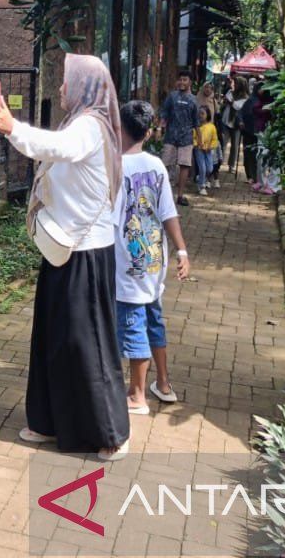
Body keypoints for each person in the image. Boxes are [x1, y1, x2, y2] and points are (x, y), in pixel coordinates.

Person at [0, 54, 130, 462]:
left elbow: (55, 148)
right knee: (52, 336)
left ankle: (111, 431)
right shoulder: (80, 121)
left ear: (84, 87)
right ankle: (49, 421)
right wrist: (13, 128)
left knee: (88, 343)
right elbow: (50, 149)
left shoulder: (89, 127)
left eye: (67, 82)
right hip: (64, 247)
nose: (61, 89)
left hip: (85, 253)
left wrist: (13, 126)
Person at [115, 101, 191, 414]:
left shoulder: (114, 166)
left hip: (126, 264)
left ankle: (137, 395)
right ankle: (163, 383)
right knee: (153, 322)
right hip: (154, 262)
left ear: (118, 128)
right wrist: (182, 250)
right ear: (149, 132)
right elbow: (168, 212)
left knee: (133, 327)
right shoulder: (157, 165)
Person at [158, 69, 200, 206]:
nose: (182, 82)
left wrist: (199, 139)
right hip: (170, 136)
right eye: (180, 79)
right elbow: (164, 114)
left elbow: (196, 122)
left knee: (184, 166)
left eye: (185, 80)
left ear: (190, 82)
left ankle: (180, 195)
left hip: (187, 138)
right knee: (165, 165)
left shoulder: (194, 100)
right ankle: (162, 194)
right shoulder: (172, 96)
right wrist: (159, 128)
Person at [222, 76, 247, 177]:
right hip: (226, 121)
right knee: (223, 143)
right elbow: (226, 100)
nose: (234, 85)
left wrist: (231, 102)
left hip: (236, 124)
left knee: (235, 145)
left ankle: (231, 165)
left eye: (236, 83)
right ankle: (219, 162)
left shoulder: (245, 97)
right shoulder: (230, 92)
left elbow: (238, 106)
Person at [194, 106, 220, 195]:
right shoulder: (196, 126)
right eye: (199, 113)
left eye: (203, 113)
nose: (200, 115)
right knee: (202, 168)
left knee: (209, 168)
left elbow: (215, 139)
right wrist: (196, 144)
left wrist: (211, 146)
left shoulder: (212, 127)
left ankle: (200, 178)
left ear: (208, 115)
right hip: (199, 150)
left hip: (208, 151)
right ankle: (202, 186)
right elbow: (193, 137)